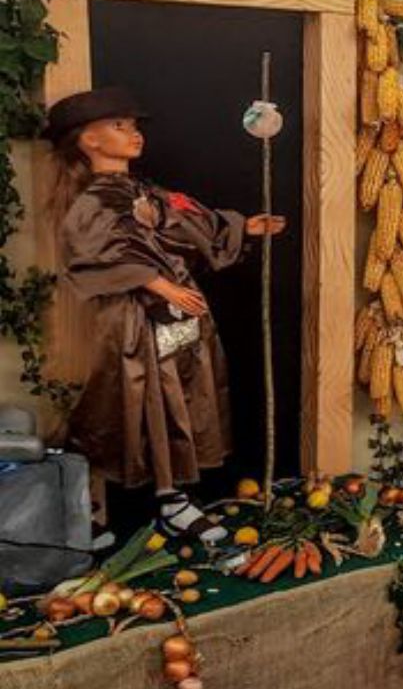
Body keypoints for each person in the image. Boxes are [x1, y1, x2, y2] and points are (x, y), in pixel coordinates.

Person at [45, 87, 285, 543]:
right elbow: (96, 252)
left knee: (179, 402)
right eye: (120, 126)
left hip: (178, 316)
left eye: (134, 126)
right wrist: (158, 284)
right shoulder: (92, 201)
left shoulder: (147, 192)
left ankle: (172, 499)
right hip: (135, 320)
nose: (133, 134)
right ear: (88, 141)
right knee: (133, 403)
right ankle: (84, 511)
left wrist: (240, 227)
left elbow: (186, 222)